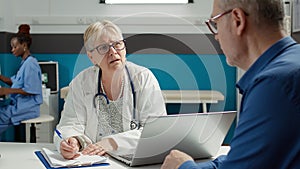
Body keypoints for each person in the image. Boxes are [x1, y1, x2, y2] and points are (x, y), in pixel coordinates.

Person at [161, 0, 300, 168]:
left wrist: (182, 166)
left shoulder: (274, 84)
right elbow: (250, 158)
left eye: (216, 23)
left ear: (237, 20)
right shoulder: (291, 64)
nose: (216, 35)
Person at [54, 20, 167, 159]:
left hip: (134, 160)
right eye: (103, 48)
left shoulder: (143, 78)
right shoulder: (81, 83)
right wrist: (72, 141)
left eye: (117, 44)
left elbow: (156, 131)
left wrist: (110, 143)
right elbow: (69, 124)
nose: (113, 52)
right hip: (92, 161)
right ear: (91, 57)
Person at [0, 24, 43, 135]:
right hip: (20, 105)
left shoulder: (31, 64)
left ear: (24, 45)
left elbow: (30, 89)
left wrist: (7, 91)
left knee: (2, 116)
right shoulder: (24, 63)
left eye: (15, 47)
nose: (12, 50)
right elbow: (14, 81)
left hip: (28, 108)